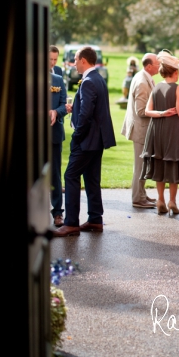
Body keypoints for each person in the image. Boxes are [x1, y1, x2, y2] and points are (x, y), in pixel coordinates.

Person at [53, 46, 116, 237]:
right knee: (91, 178)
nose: (73, 64)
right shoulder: (98, 79)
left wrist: (76, 136)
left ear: (83, 60)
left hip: (87, 140)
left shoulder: (88, 81)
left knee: (71, 175)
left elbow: (86, 115)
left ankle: (71, 223)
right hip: (98, 140)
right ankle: (95, 219)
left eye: (75, 60)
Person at [140, 51, 179, 214]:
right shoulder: (178, 88)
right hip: (173, 130)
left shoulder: (156, 87)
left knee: (159, 163)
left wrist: (161, 113)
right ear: (175, 72)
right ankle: (172, 201)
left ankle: (160, 199)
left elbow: (147, 111)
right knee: (172, 163)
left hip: (157, 130)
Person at [120, 53, 160, 209]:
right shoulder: (143, 82)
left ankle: (142, 195)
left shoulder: (143, 76)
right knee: (140, 166)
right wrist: (161, 112)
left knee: (143, 164)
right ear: (149, 66)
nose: (159, 66)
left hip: (141, 129)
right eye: (157, 64)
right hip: (141, 130)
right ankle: (138, 198)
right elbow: (141, 110)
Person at [49, 58, 68, 226]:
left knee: (55, 174)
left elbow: (64, 105)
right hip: (34, 136)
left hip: (54, 134)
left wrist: (56, 111)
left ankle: (57, 212)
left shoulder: (58, 80)